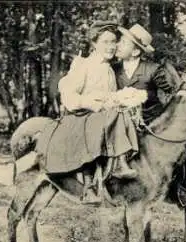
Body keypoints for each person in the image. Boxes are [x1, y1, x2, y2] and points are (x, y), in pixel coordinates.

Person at [58, 21, 140, 204]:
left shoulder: (109, 70)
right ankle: (89, 185)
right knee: (113, 115)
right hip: (81, 116)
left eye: (113, 42)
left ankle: (122, 164)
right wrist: (91, 102)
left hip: (102, 118)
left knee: (122, 112)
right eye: (105, 42)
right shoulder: (83, 65)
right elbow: (68, 96)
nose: (111, 46)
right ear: (94, 43)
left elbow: (109, 98)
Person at [113, 24, 179, 125]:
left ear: (135, 52)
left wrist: (145, 96)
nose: (118, 45)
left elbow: (172, 92)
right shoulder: (114, 69)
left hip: (151, 123)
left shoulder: (153, 69)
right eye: (119, 41)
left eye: (124, 42)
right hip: (122, 123)